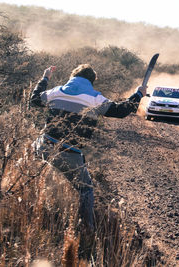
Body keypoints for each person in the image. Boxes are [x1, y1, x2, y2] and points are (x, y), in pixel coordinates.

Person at [30, 64, 146, 233]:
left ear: (72, 76)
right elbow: (121, 111)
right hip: (71, 154)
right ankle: (86, 228)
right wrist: (138, 94)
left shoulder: (56, 91)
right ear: (92, 81)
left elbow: (34, 100)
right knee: (85, 190)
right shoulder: (95, 99)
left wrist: (45, 77)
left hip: (44, 147)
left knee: (32, 167)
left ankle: (31, 208)